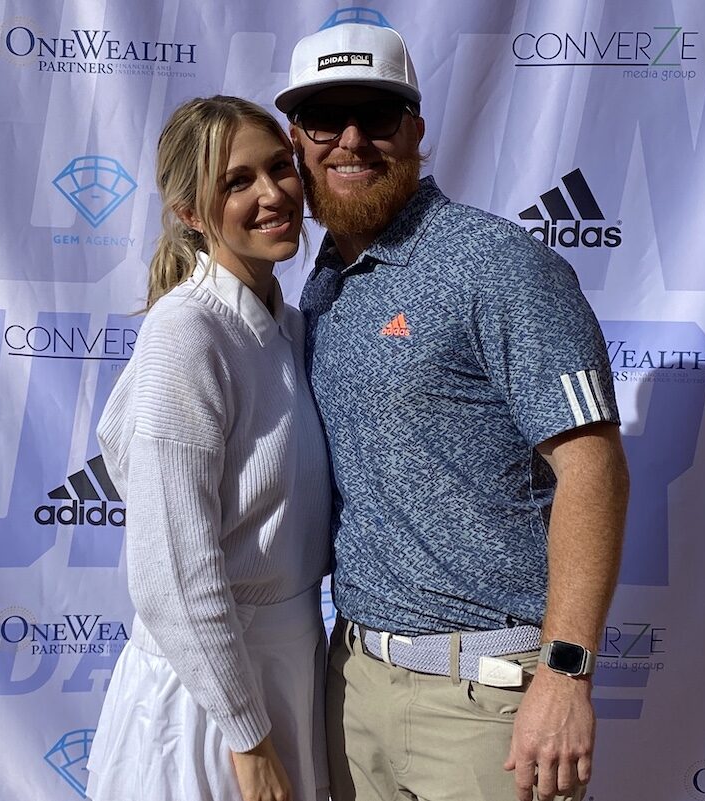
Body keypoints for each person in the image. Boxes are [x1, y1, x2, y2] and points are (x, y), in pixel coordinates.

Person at [274, 23, 630, 801]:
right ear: (297, 140)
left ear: (417, 129)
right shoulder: (323, 281)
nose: (353, 141)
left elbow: (592, 464)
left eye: (379, 114)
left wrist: (567, 674)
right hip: (353, 687)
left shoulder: (497, 264)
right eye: (327, 120)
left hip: (490, 705)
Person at [85, 95, 331, 801]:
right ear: (191, 212)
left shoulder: (289, 327)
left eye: (280, 169)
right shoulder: (186, 333)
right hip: (210, 704)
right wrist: (248, 739)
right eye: (237, 182)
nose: (273, 194)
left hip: (286, 670)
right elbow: (172, 574)